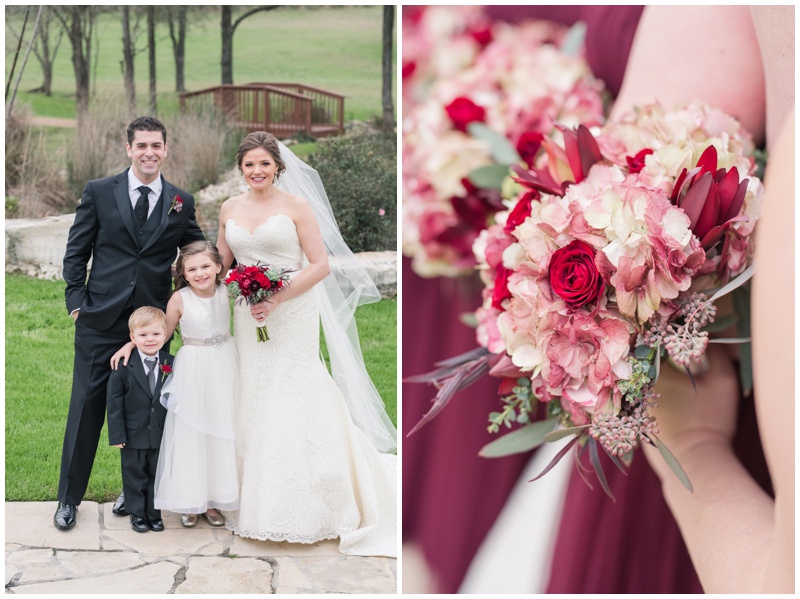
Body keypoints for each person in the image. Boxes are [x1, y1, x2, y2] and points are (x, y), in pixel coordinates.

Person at [214, 131, 397, 557]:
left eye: (263, 163)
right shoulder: (229, 208)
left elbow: (320, 265)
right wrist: (206, 273)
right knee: (256, 390)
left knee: (294, 387)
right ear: (240, 170)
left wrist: (276, 297)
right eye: (248, 165)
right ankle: (255, 497)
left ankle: (315, 503)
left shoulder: (296, 206)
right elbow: (224, 259)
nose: (256, 171)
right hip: (249, 312)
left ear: (277, 165)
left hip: (292, 310)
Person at [57, 116, 205, 530]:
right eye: (141, 146)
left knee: (148, 415)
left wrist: (237, 273)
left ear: (166, 149)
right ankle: (69, 500)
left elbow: (196, 252)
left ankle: (135, 493)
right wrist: (76, 303)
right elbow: (76, 252)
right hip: (100, 321)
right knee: (85, 409)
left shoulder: (181, 201)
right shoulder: (100, 192)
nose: (149, 153)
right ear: (129, 149)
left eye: (156, 145)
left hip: (152, 328)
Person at [111, 241, 239, 528]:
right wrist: (130, 346)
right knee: (192, 431)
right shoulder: (179, 299)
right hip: (194, 365)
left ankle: (215, 500)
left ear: (218, 266)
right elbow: (161, 334)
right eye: (192, 269)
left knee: (220, 429)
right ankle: (191, 500)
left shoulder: (227, 291)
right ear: (182, 272)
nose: (200, 273)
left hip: (226, 363)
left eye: (206, 266)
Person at [106, 307, 173, 533]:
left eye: (155, 334)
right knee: (134, 475)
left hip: (160, 432)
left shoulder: (171, 363)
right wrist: (117, 434)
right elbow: (114, 402)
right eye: (143, 335)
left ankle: (154, 515)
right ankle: (137, 515)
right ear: (133, 338)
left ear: (165, 334)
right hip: (132, 433)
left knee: (156, 475)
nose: (150, 339)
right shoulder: (123, 363)